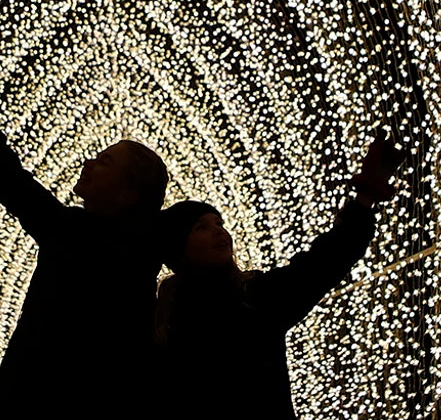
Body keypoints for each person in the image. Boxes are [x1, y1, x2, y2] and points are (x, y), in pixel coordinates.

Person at [0, 47, 169, 419]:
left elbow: (5, 171)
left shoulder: (78, 235)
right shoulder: (134, 253)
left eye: (104, 162)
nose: (89, 162)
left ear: (128, 193)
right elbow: (4, 171)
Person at [152, 136, 407, 419]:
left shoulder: (254, 296)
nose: (218, 231)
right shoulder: (164, 318)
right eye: (201, 227)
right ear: (179, 248)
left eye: (219, 223)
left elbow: (322, 263)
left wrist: (364, 200)